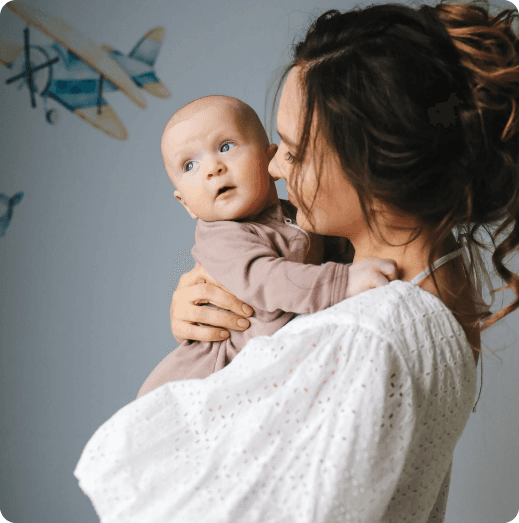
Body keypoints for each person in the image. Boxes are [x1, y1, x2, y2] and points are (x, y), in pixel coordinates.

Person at [74, 2, 519, 521]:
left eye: (293, 150)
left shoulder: (361, 338)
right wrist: (219, 318)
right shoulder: (438, 291)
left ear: (369, 167)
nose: (275, 168)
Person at [137, 95, 399, 397]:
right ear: (186, 204)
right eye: (190, 165)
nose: (212, 168)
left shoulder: (296, 214)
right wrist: (345, 281)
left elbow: (338, 252)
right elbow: (270, 281)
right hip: (208, 380)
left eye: (226, 146)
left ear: (270, 159)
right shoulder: (222, 238)